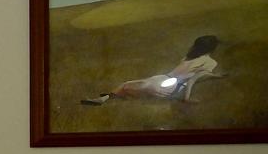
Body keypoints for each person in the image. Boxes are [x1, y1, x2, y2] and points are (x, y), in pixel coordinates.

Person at [83, 34, 224, 105]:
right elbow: (194, 79)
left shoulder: (187, 57)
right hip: (170, 86)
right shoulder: (211, 63)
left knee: (125, 86)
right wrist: (187, 98)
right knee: (132, 92)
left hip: (161, 79)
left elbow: (191, 77)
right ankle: (108, 99)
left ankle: (103, 99)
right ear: (213, 48)